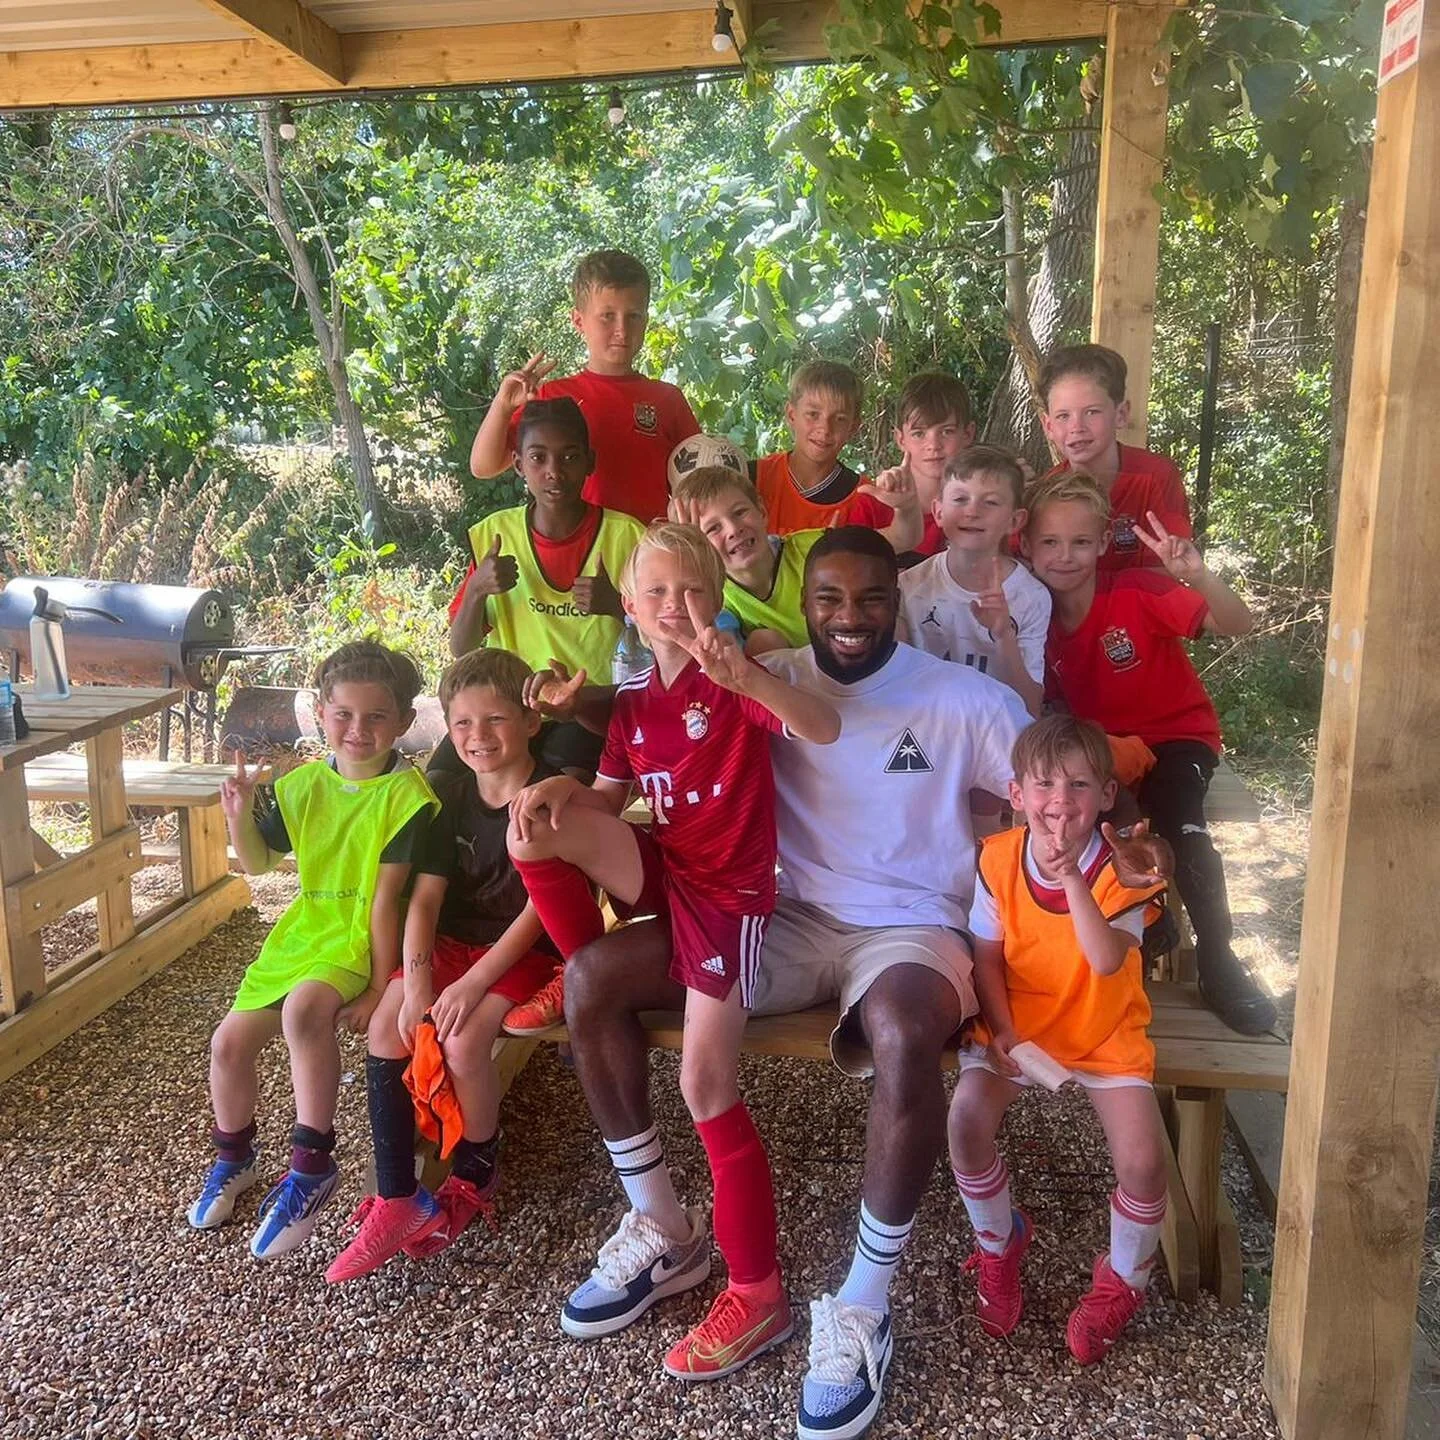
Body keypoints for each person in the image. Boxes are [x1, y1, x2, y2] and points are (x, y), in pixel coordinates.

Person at [544, 527, 1171, 1440]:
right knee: (594, 974)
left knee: (906, 1031)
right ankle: (663, 1230)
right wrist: (559, 769)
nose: (848, 619)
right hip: (785, 914)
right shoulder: (760, 674)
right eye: (828, 600)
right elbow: (647, 710)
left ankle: (863, 1303)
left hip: (913, 925)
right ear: (802, 605)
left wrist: (1133, 843)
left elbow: (1060, 783)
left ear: (901, 604)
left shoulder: (962, 700)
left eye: (870, 600)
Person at [505, 522, 841, 1382]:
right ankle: (663, 1226)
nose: (675, 608)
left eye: (692, 592)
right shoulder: (629, 704)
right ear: (630, 605)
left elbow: (823, 727)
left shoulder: (734, 678)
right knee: (534, 833)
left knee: (704, 1083)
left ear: (717, 599)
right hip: (668, 877)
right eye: (656, 593)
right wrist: (554, 787)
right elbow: (610, 803)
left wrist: (750, 673)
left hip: (731, 900)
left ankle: (757, 1292)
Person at [187, 640, 438, 1259]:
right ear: (321, 713)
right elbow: (258, 863)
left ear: (403, 724)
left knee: (304, 1011)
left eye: (377, 717)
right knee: (227, 1043)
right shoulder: (300, 786)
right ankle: (235, 1156)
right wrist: (240, 814)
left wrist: (383, 987)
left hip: (356, 937)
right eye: (344, 714)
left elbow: (386, 905)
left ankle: (312, 1164)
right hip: (303, 932)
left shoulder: (410, 799)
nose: (359, 730)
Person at [325, 649, 561, 1283]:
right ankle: (397, 1194)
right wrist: (419, 980)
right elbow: (424, 900)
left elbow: (544, 909)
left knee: (460, 1039)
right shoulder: (447, 793)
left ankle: (476, 1165)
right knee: (386, 1027)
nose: (477, 738)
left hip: (525, 949)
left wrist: (474, 983)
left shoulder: (550, 792)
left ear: (531, 722)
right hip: (453, 944)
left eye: (495, 721)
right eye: (461, 725)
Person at [949, 714, 1168, 1365]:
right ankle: (999, 1245)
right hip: (1021, 1023)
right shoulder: (996, 858)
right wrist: (1006, 1033)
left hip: (1103, 1027)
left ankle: (1123, 1282)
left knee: (1144, 1162)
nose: (1059, 800)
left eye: (1078, 784)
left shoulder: (1124, 869)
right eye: (1044, 783)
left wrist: (1073, 875)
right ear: (1016, 794)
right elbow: (986, 958)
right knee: (965, 1125)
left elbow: (1104, 961)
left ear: (1104, 795)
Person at [1024, 471, 1276, 1035]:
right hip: (1105, 753)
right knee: (1091, 825)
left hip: (1176, 738)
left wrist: (1200, 576)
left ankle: (1217, 957)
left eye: (1081, 542)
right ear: (1026, 544)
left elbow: (1238, 623)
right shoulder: (1031, 619)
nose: (1066, 556)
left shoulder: (1136, 591)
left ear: (1102, 544)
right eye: (1050, 542)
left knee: (1182, 822)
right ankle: (1146, 921)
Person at [446, 396, 645, 776]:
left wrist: (619, 606)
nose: (554, 471)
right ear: (519, 465)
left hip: (591, 706)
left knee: (555, 791)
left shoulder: (627, 536)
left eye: (569, 457)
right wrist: (476, 591)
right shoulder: (495, 535)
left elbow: (665, 640)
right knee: (442, 784)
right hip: (507, 708)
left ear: (590, 462)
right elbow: (462, 648)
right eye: (538, 458)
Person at [467, 249, 699, 523]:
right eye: (607, 316)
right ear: (578, 320)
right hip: (576, 557)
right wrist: (502, 407)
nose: (622, 330)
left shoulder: (667, 400)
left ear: (646, 320)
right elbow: (483, 467)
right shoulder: (550, 399)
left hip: (650, 555)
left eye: (633, 316)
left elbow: (699, 483)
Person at [669, 465, 919, 655]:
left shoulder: (813, 547)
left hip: (852, 656)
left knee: (894, 626)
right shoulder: (717, 596)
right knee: (764, 642)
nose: (733, 529)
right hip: (796, 696)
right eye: (713, 528)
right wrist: (693, 562)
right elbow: (719, 648)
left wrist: (906, 507)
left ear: (762, 512)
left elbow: (903, 538)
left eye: (740, 512)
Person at [899, 445, 1049, 715]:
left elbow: (1030, 708)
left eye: (990, 502)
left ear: (1015, 521)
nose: (972, 511)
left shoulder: (1032, 597)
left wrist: (1003, 635)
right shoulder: (908, 588)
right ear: (939, 512)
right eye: (960, 499)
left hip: (999, 732)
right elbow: (896, 691)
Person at [1037, 344, 1192, 572]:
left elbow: (1168, 570)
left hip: (1140, 605)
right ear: (1048, 426)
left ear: (1121, 414)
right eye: (1063, 416)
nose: (1076, 427)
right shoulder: (1045, 492)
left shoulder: (1156, 476)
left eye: (1092, 412)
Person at [848, 371, 977, 560]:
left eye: (947, 431)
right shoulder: (872, 504)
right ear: (901, 439)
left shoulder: (985, 506)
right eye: (919, 433)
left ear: (967, 434)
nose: (933, 445)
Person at [752, 361, 874, 534]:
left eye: (839, 419)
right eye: (813, 414)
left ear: (853, 427)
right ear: (791, 415)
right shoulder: (753, 478)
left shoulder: (864, 498)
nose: (824, 429)